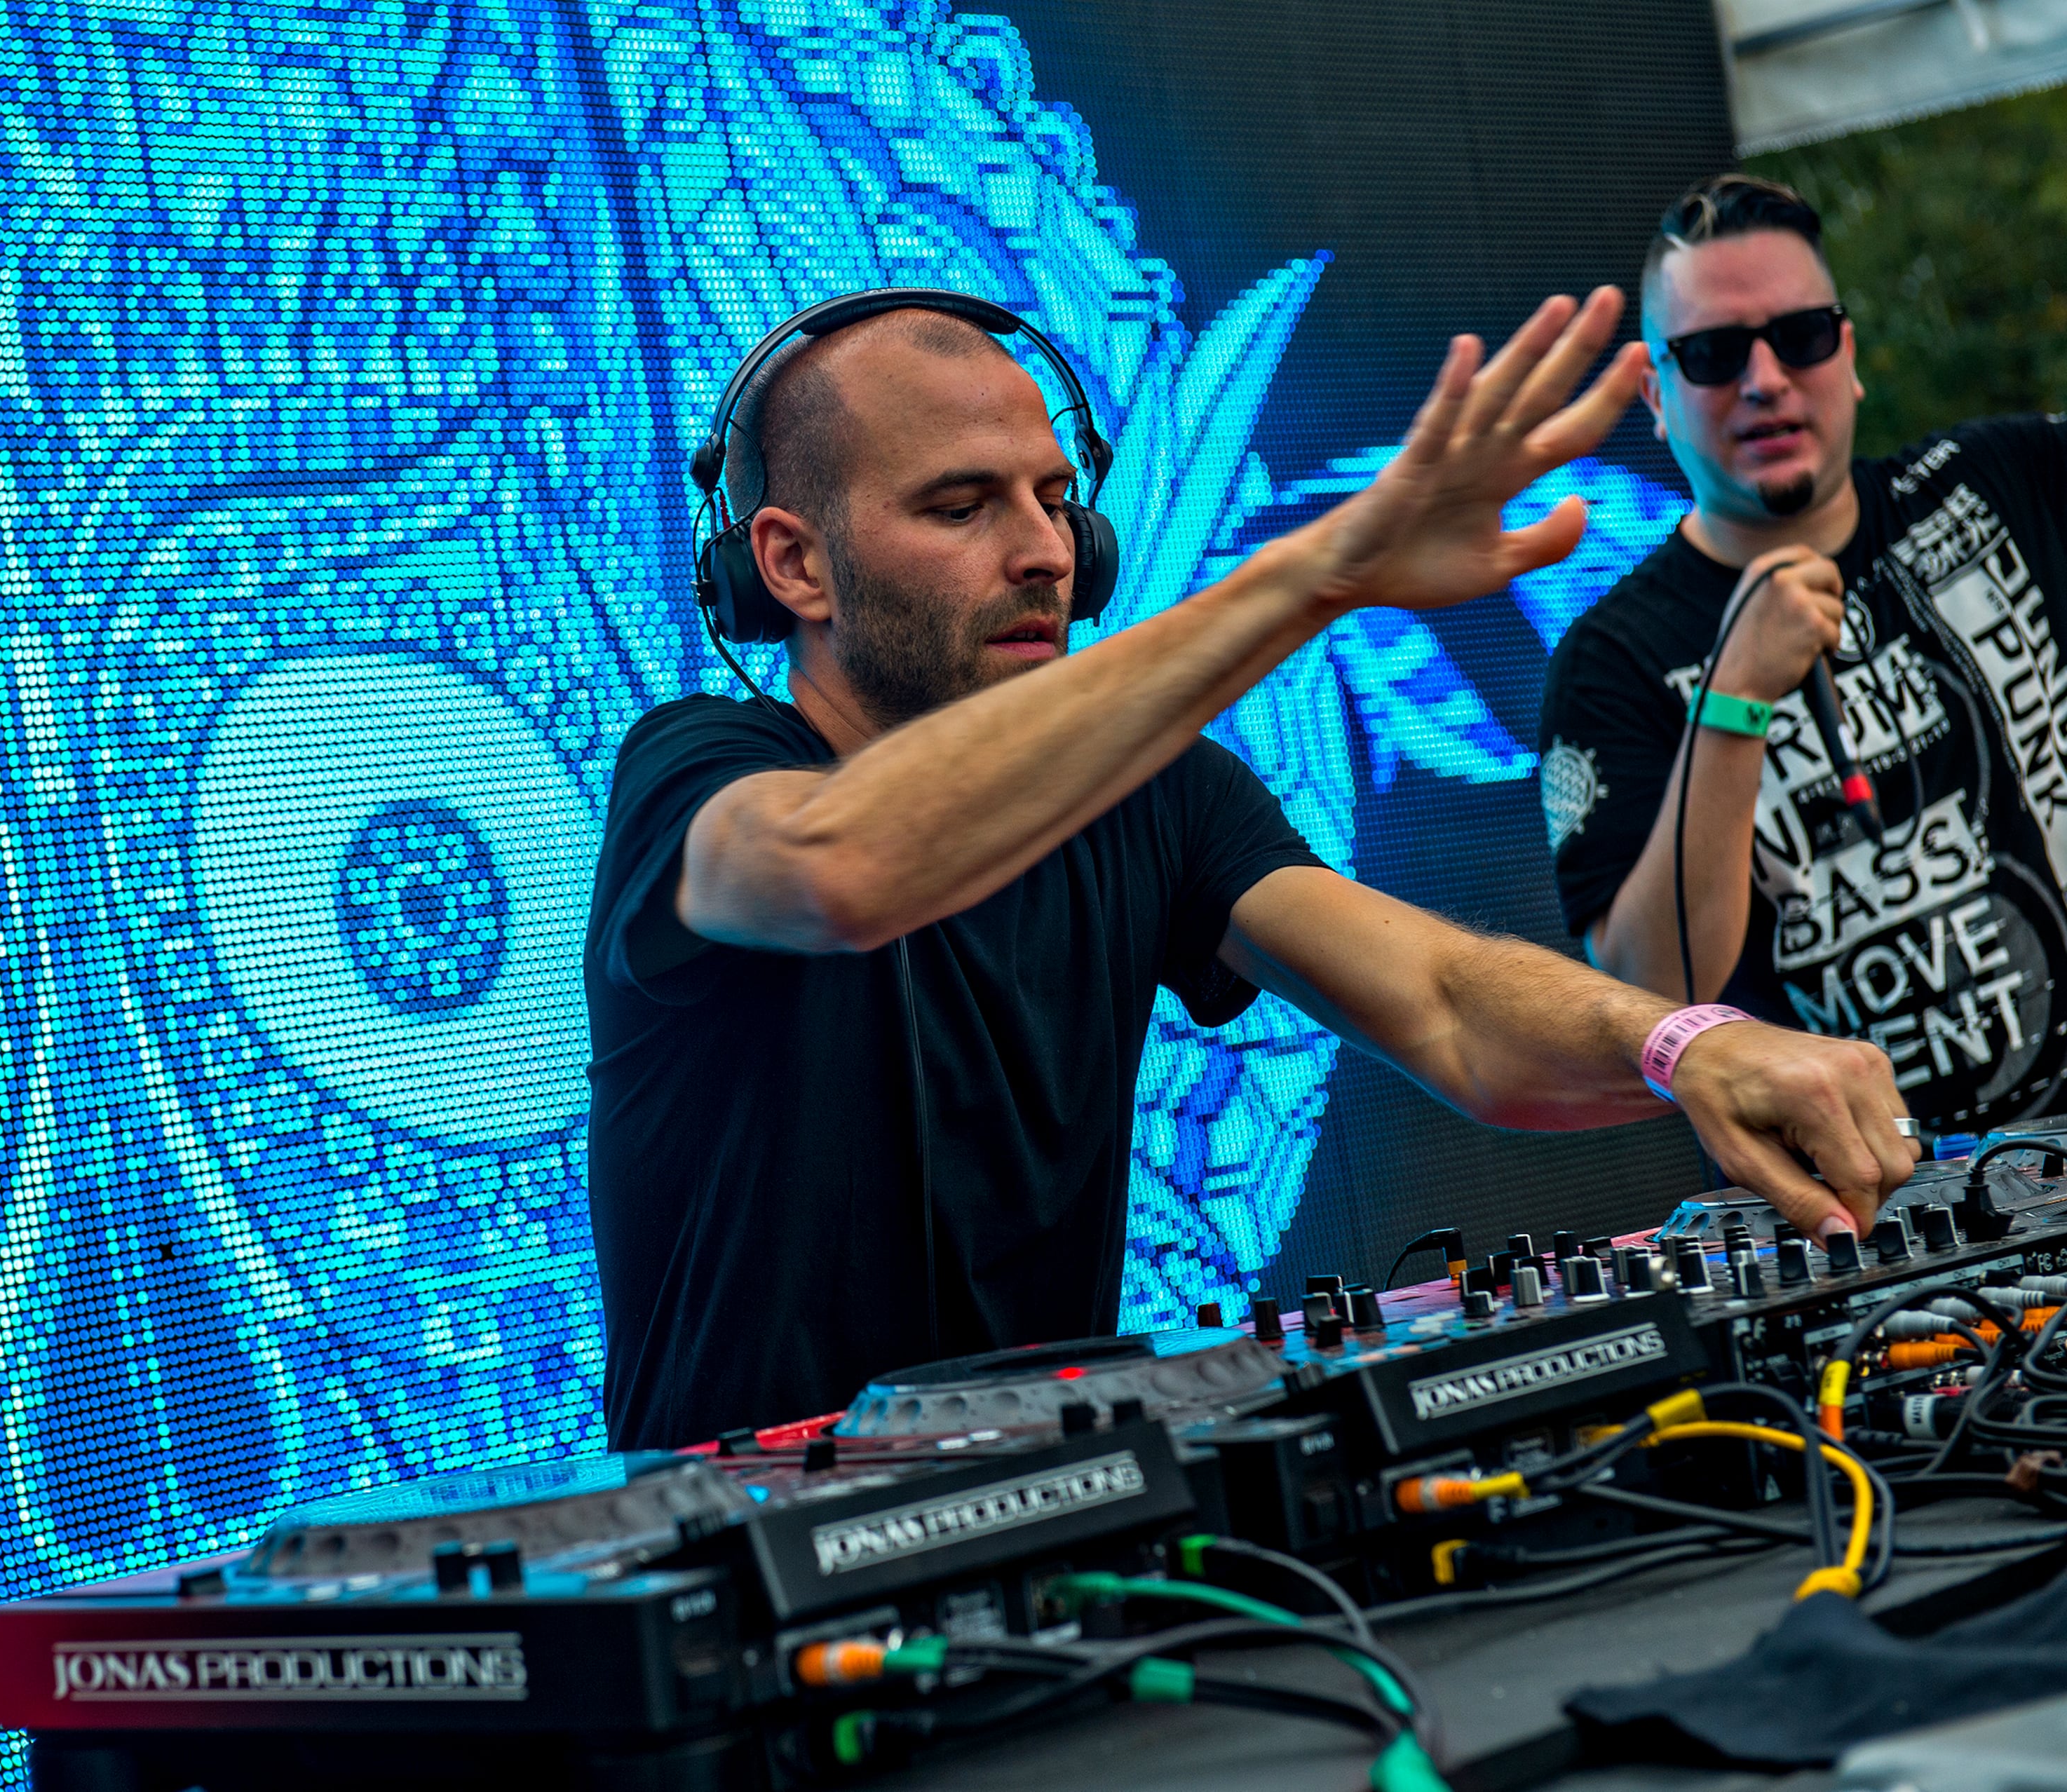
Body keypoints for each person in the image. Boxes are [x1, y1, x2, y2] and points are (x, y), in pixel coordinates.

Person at [586, 285, 1914, 1451]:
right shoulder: (693, 774)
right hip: (734, 1567)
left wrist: (1688, 1043)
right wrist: (1319, 572)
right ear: (795, 564)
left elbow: (1447, 1002)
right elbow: (843, 871)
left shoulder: (1151, 794)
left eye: (1057, 499)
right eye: (959, 505)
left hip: (1063, 1518)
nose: (1048, 550)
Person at [1538, 173, 2067, 1137]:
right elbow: (1654, 1004)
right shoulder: (1612, 658)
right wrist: (1735, 695)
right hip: (1856, 1223)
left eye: (1804, 336)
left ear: (1850, 353)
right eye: (1713, 354)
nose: (1767, 378)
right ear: (1657, 394)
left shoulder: (2006, 483)